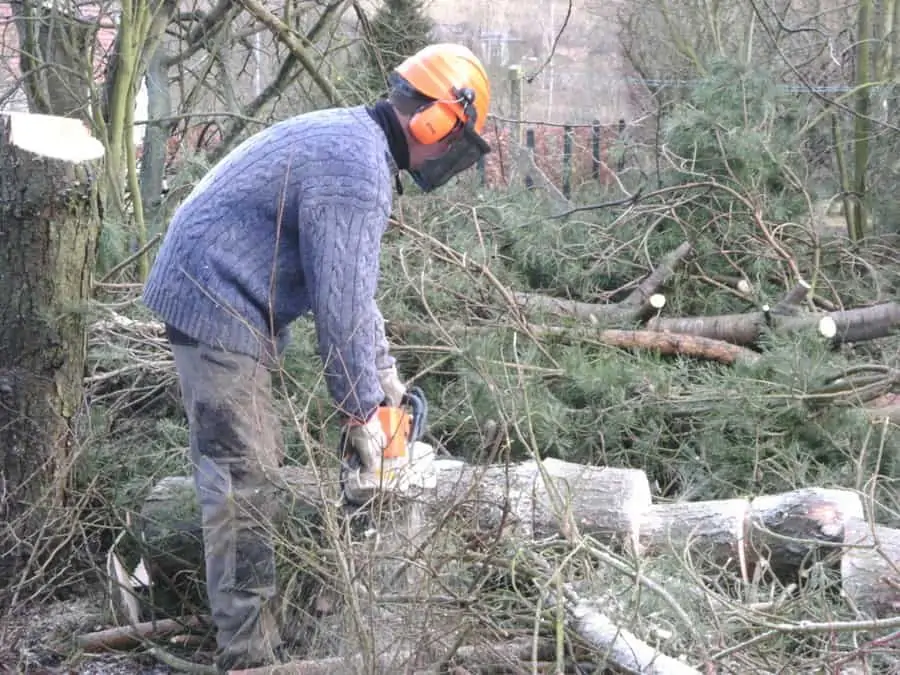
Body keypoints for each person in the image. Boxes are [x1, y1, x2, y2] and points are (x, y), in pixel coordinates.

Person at [140, 43, 492, 671]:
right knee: (244, 482)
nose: (448, 154)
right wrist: (364, 415)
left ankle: (267, 627)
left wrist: (385, 385)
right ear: (435, 122)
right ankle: (249, 657)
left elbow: (352, 288)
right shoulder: (355, 168)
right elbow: (341, 311)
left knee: (249, 469)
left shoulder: (356, 146)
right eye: (453, 139)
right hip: (214, 295)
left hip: (224, 289)